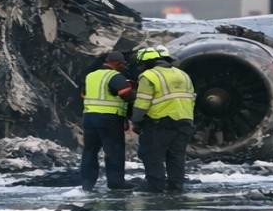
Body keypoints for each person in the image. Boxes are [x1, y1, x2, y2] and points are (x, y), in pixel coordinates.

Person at [130, 44, 195, 194]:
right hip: (185, 120)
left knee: (152, 154)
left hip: (161, 122)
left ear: (146, 62)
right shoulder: (182, 74)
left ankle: (156, 187)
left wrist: (137, 121)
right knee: (176, 155)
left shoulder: (149, 76)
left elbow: (142, 103)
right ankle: (176, 186)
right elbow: (192, 98)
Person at [78, 51, 136, 192]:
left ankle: (87, 184)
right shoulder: (115, 76)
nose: (124, 68)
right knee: (114, 151)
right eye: (123, 65)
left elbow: (83, 94)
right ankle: (116, 184)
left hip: (89, 117)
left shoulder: (91, 76)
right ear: (118, 64)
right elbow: (126, 93)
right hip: (109, 118)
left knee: (90, 151)